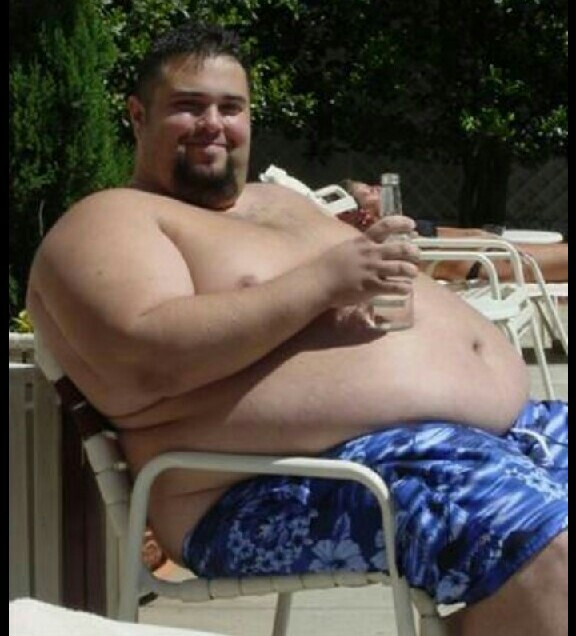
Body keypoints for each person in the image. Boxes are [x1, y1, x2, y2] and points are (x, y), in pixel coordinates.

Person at [26, 22, 567, 636]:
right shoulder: (111, 219)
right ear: (137, 115)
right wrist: (325, 281)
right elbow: (142, 357)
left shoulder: (281, 204)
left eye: (230, 107)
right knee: (543, 539)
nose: (213, 123)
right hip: (269, 488)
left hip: (482, 436)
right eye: (188, 106)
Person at [340, 178, 569, 283]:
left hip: (489, 253)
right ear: (360, 215)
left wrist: (482, 236)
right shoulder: (389, 238)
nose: (377, 187)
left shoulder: (400, 227)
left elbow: (444, 234)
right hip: (486, 265)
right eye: (368, 191)